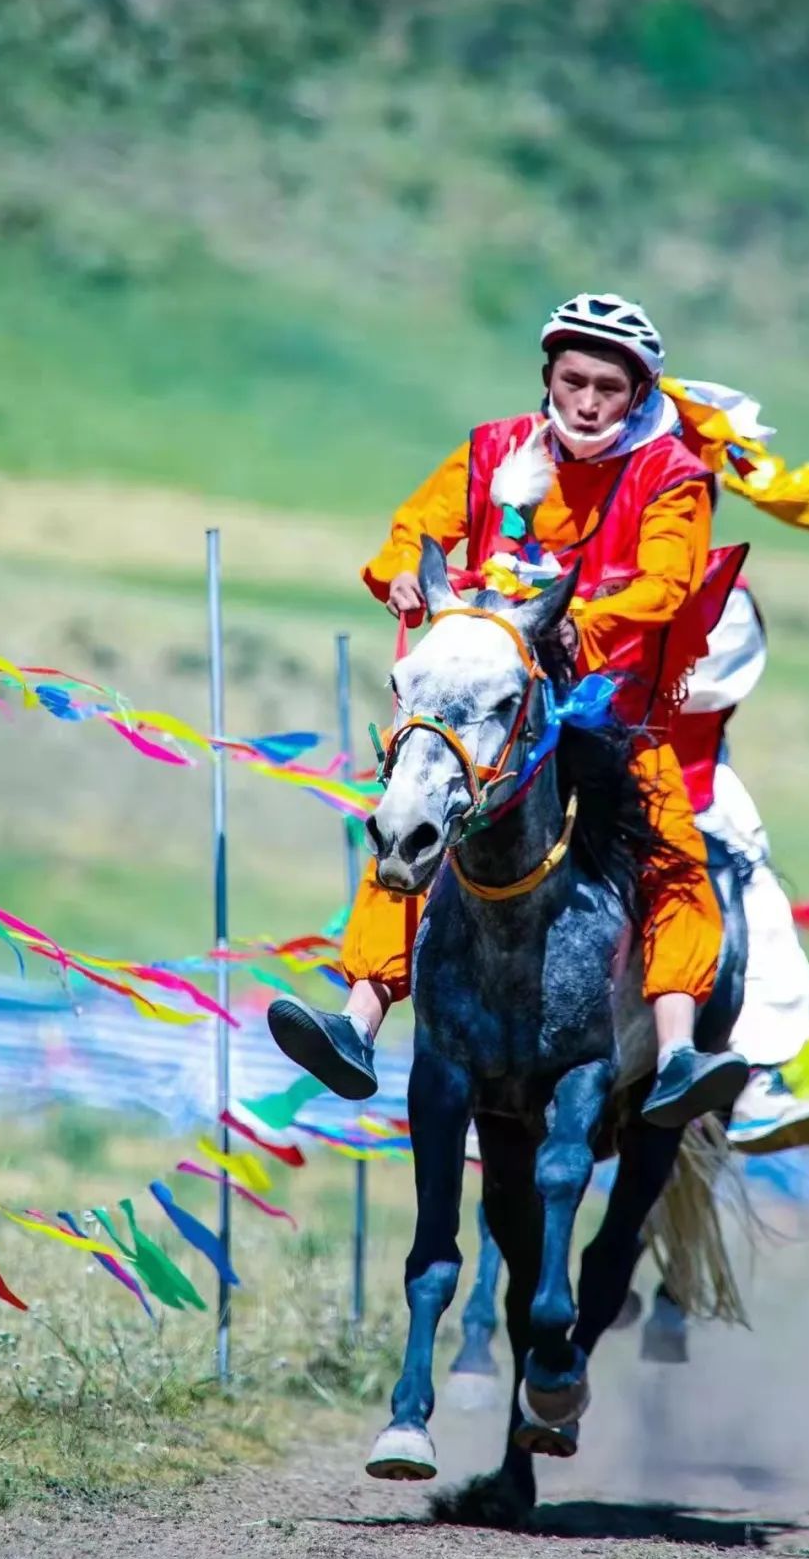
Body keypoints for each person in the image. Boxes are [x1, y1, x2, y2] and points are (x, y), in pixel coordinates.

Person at [269, 292, 749, 1129]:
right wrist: (401, 572)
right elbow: (418, 523)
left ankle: (674, 1056)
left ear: (639, 393)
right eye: (574, 380)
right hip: (492, 708)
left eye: (609, 385)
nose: (589, 401)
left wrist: (573, 626)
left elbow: (666, 584)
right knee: (407, 819)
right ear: (549, 379)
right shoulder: (495, 448)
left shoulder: (672, 475)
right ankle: (358, 1021)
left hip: (611, 707)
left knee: (673, 853)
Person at [673, 583, 809, 1153]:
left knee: (757, 905)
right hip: (559, 771)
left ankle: (755, 1076)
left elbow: (703, 688)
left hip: (686, 787)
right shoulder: (556, 565)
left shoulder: (724, 596)